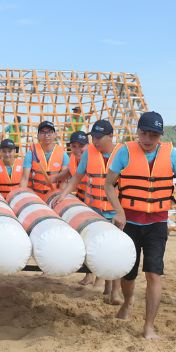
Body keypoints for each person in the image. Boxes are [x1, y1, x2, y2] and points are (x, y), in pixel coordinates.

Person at [104, 112, 176, 340]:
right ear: (138, 132)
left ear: (160, 136)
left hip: (157, 224)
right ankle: (128, 301)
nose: (148, 139)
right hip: (129, 223)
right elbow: (109, 184)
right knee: (128, 275)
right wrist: (119, 211)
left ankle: (149, 327)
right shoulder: (125, 151)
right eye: (144, 133)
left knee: (154, 274)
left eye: (154, 135)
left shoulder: (170, 155)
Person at [53, 121, 123, 303]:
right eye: (93, 137)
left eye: (99, 137)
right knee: (101, 249)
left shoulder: (122, 153)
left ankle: (114, 290)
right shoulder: (89, 153)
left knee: (115, 251)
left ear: (111, 136)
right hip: (94, 210)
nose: (96, 141)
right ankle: (106, 287)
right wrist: (64, 194)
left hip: (116, 210)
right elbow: (77, 177)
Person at [19, 121, 69, 199]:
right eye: (43, 132)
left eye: (50, 132)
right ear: (38, 136)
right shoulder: (31, 153)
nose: (46, 135)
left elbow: (64, 181)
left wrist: (60, 198)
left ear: (55, 134)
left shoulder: (63, 154)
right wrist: (22, 197)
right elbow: (24, 179)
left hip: (54, 196)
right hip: (35, 196)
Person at [53, 131, 88, 202]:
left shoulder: (96, 160)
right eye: (74, 146)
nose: (77, 149)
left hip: (99, 206)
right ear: (70, 147)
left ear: (88, 145)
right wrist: (53, 178)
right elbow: (68, 172)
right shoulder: (73, 159)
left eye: (81, 146)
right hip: (81, 200)